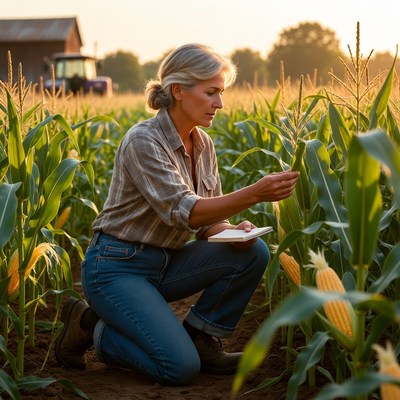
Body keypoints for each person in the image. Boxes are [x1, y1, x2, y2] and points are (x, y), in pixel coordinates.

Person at [55, 43, 299, 385]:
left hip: (166, 263)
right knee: (179, 368)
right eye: (211, 92)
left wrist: (234, 231)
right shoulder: (143, 140)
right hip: (115, 268)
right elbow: (187, 212)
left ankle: (201, 340)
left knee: (252, 252)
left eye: (221, 92)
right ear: (178, 91)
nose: (220, 103)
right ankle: (88, 325)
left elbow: (210, 222)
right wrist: (255, 193)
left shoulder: (203, 143)